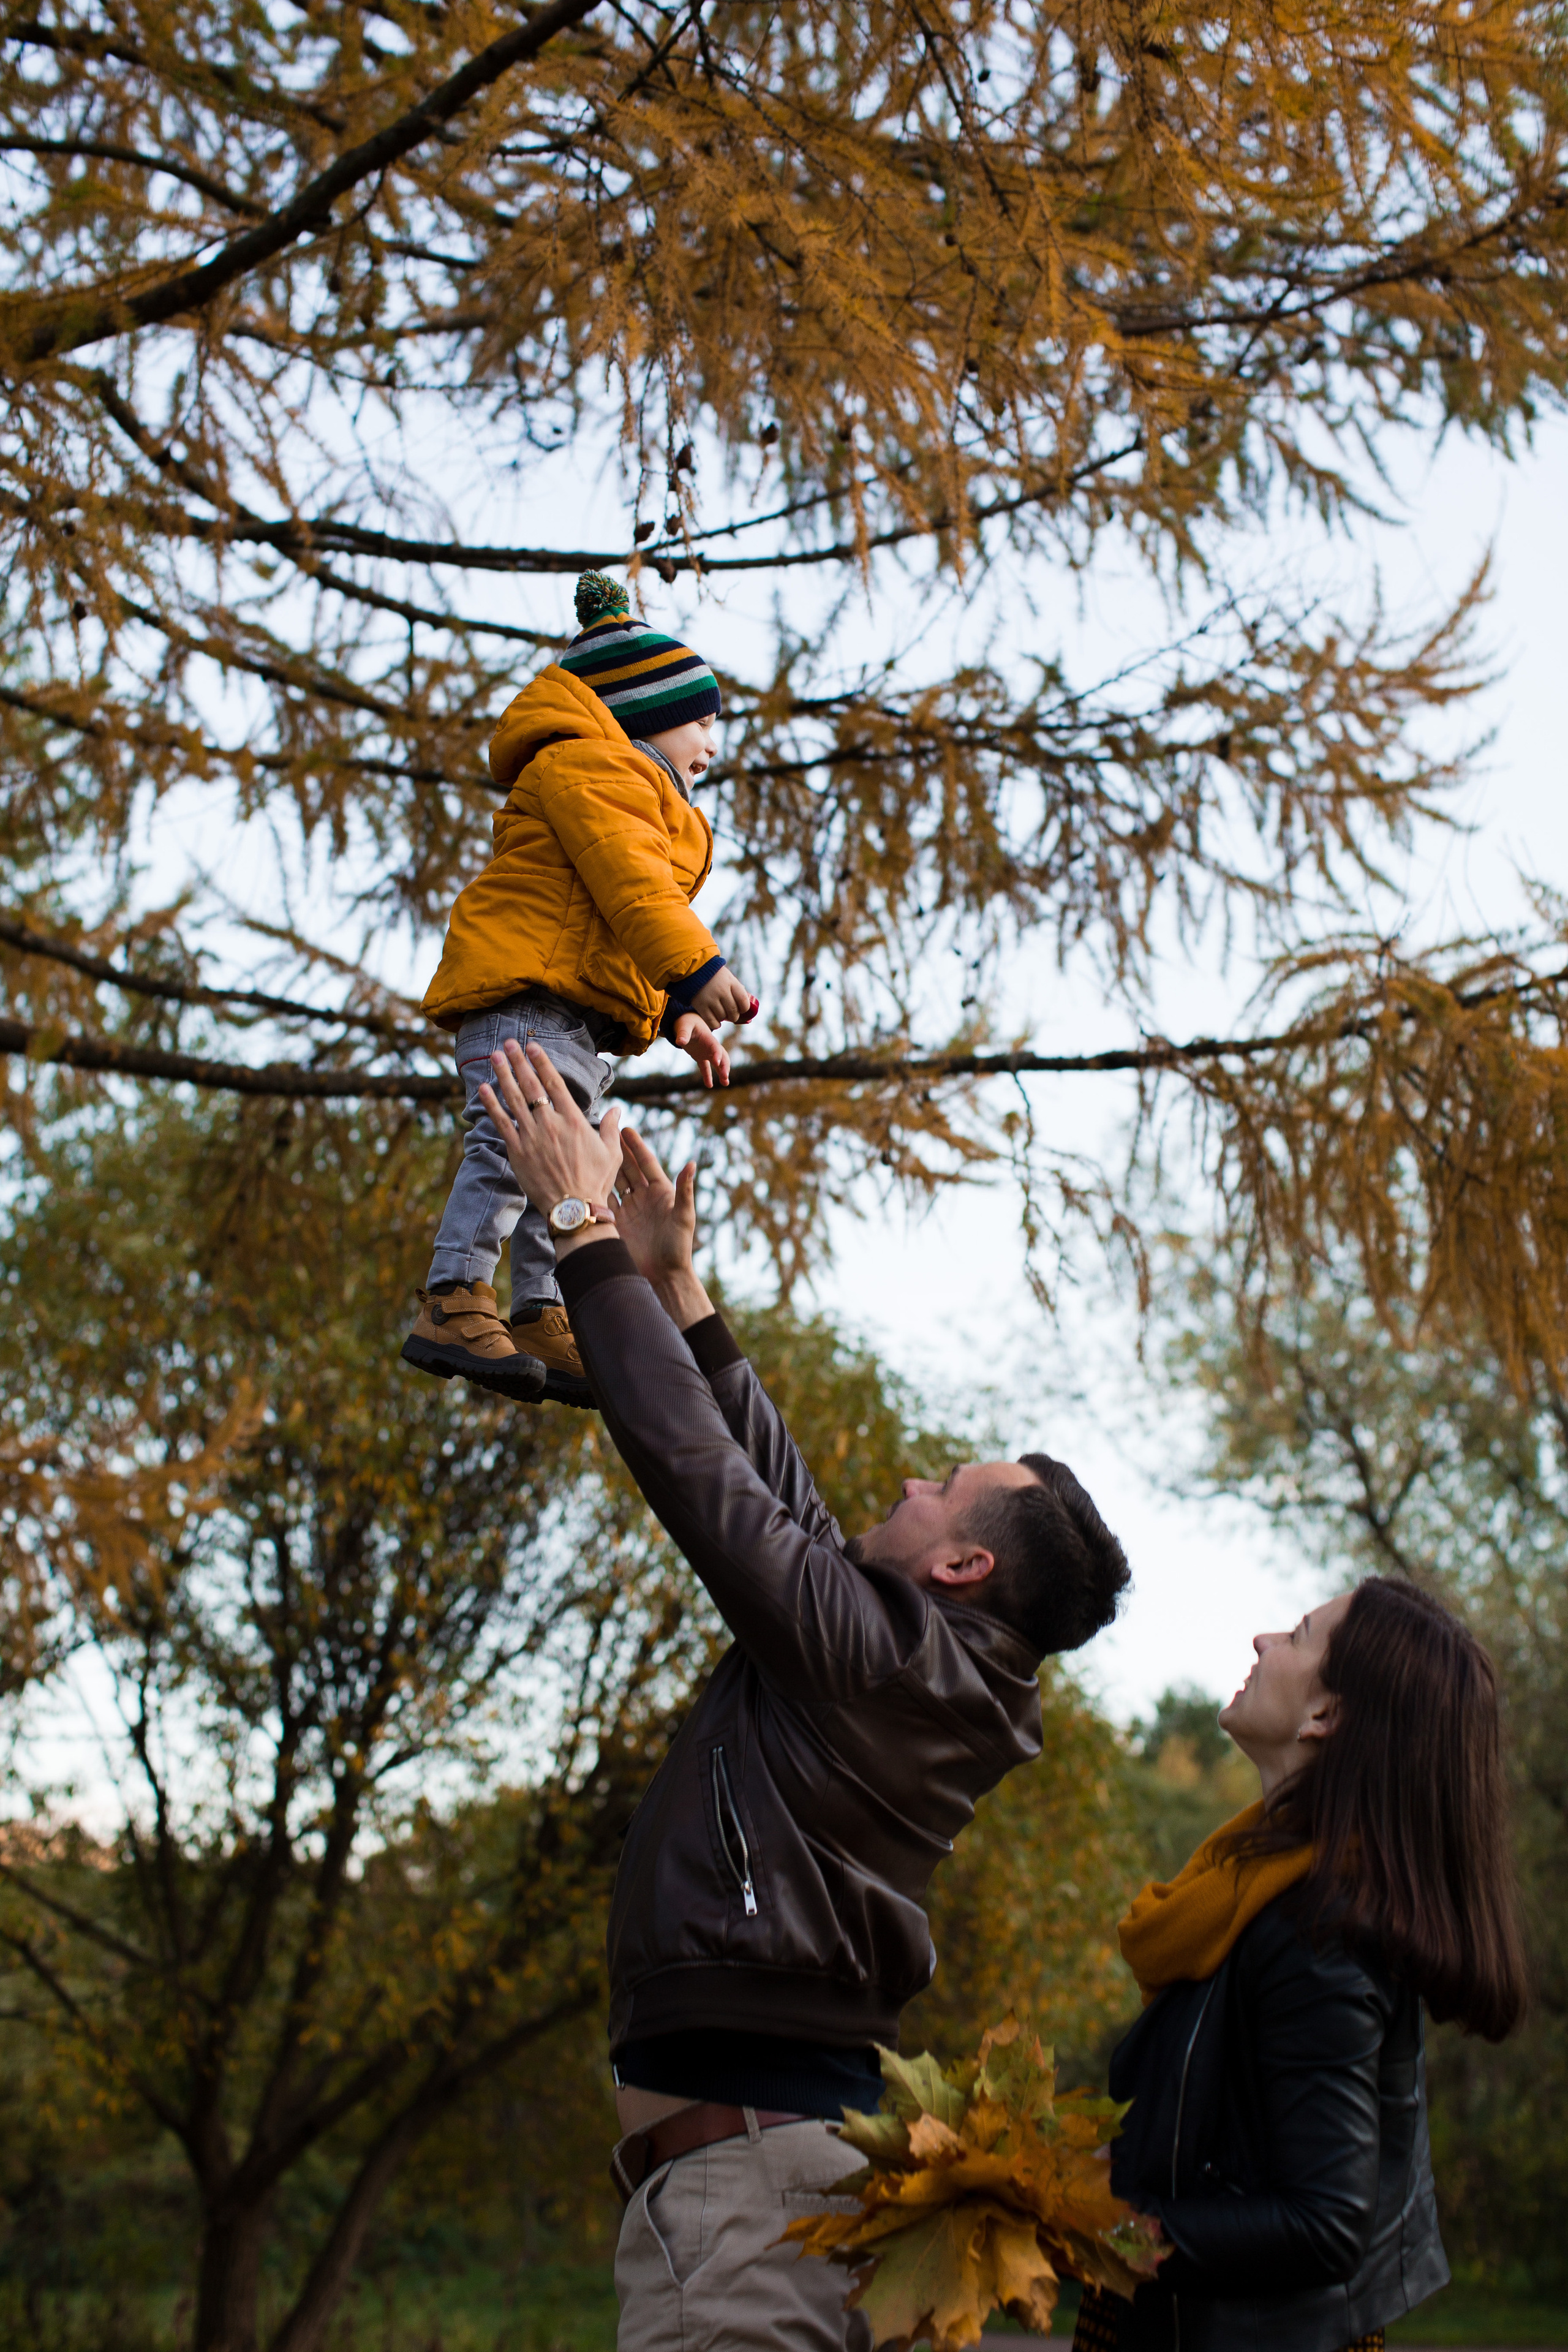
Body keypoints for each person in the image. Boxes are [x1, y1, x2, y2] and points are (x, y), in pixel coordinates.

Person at [471, 1035, 1133, 2352]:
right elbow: (786, 1511)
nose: (899, 1488)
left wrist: (578, 1229)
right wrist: (677, 1284)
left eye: (934, 1489)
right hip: (731, 2188)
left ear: (958, 1562)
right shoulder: (909, 1657)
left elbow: (709, 1486)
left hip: (753, 2199)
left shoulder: (882, 1656)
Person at [1073, 1578, 1528, 2352]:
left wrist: (1105, 2225)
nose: (1262, 1641)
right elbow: (1229, 2143)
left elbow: (1322, 2225)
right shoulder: (1256, 1902)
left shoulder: (1322, 1937)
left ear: (1327, 1715)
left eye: (1297, 1635)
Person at [402, 571, 756, 1409]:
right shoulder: (591, 771)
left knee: (559, 1177)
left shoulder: (623, 785)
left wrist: (672, 1014)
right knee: (508, 1153)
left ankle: (540, 1312)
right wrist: (697, 970)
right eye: (703, 720)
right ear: (642, 714)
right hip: (527, 1004)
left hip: (571, 1017)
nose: (714, 741)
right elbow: (631, 886)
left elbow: (603, 922)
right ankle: (454, 1297)